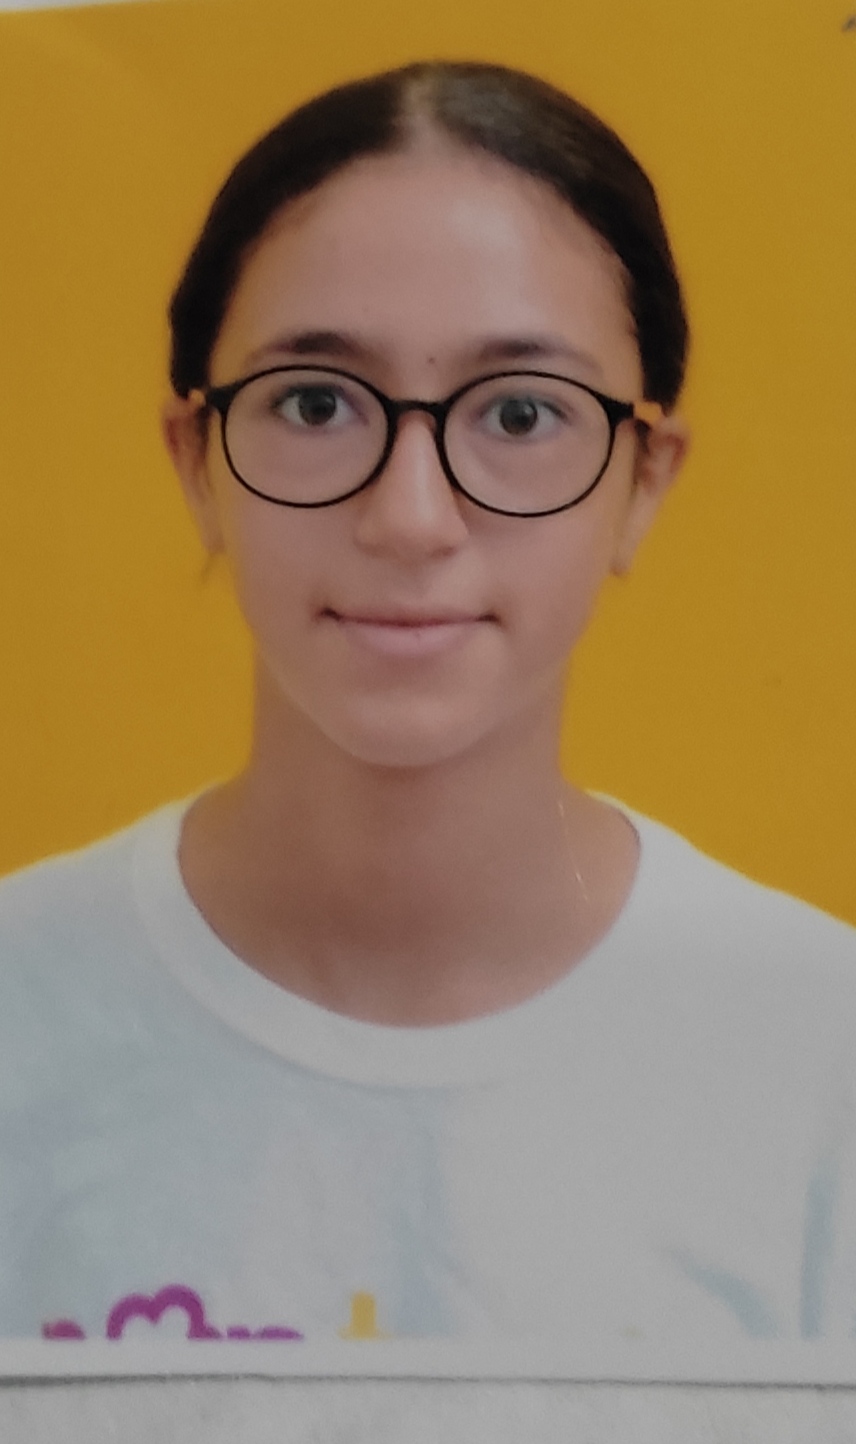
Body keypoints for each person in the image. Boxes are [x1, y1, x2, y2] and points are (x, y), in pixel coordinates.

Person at [1, 60, 855, 1353]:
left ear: (644, 481)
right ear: (196, 463)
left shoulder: (818, 1060)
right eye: (315, 404)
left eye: (520, 412)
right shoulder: (25, 1012)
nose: (410, 517)